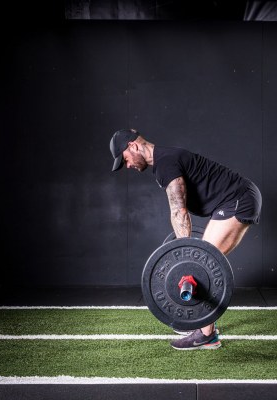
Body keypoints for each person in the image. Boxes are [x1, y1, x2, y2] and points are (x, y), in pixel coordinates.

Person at [109, 128, 262, 350]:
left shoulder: (165, 163)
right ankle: (203, 328)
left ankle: (206, 334)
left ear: (133, 146)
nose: (128, 166)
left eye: (125, 160)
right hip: (233, 201)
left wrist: (186, 258)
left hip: (238, 200)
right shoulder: (164, 161)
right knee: (202, 263)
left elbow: (179, 212)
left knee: (200, 264)